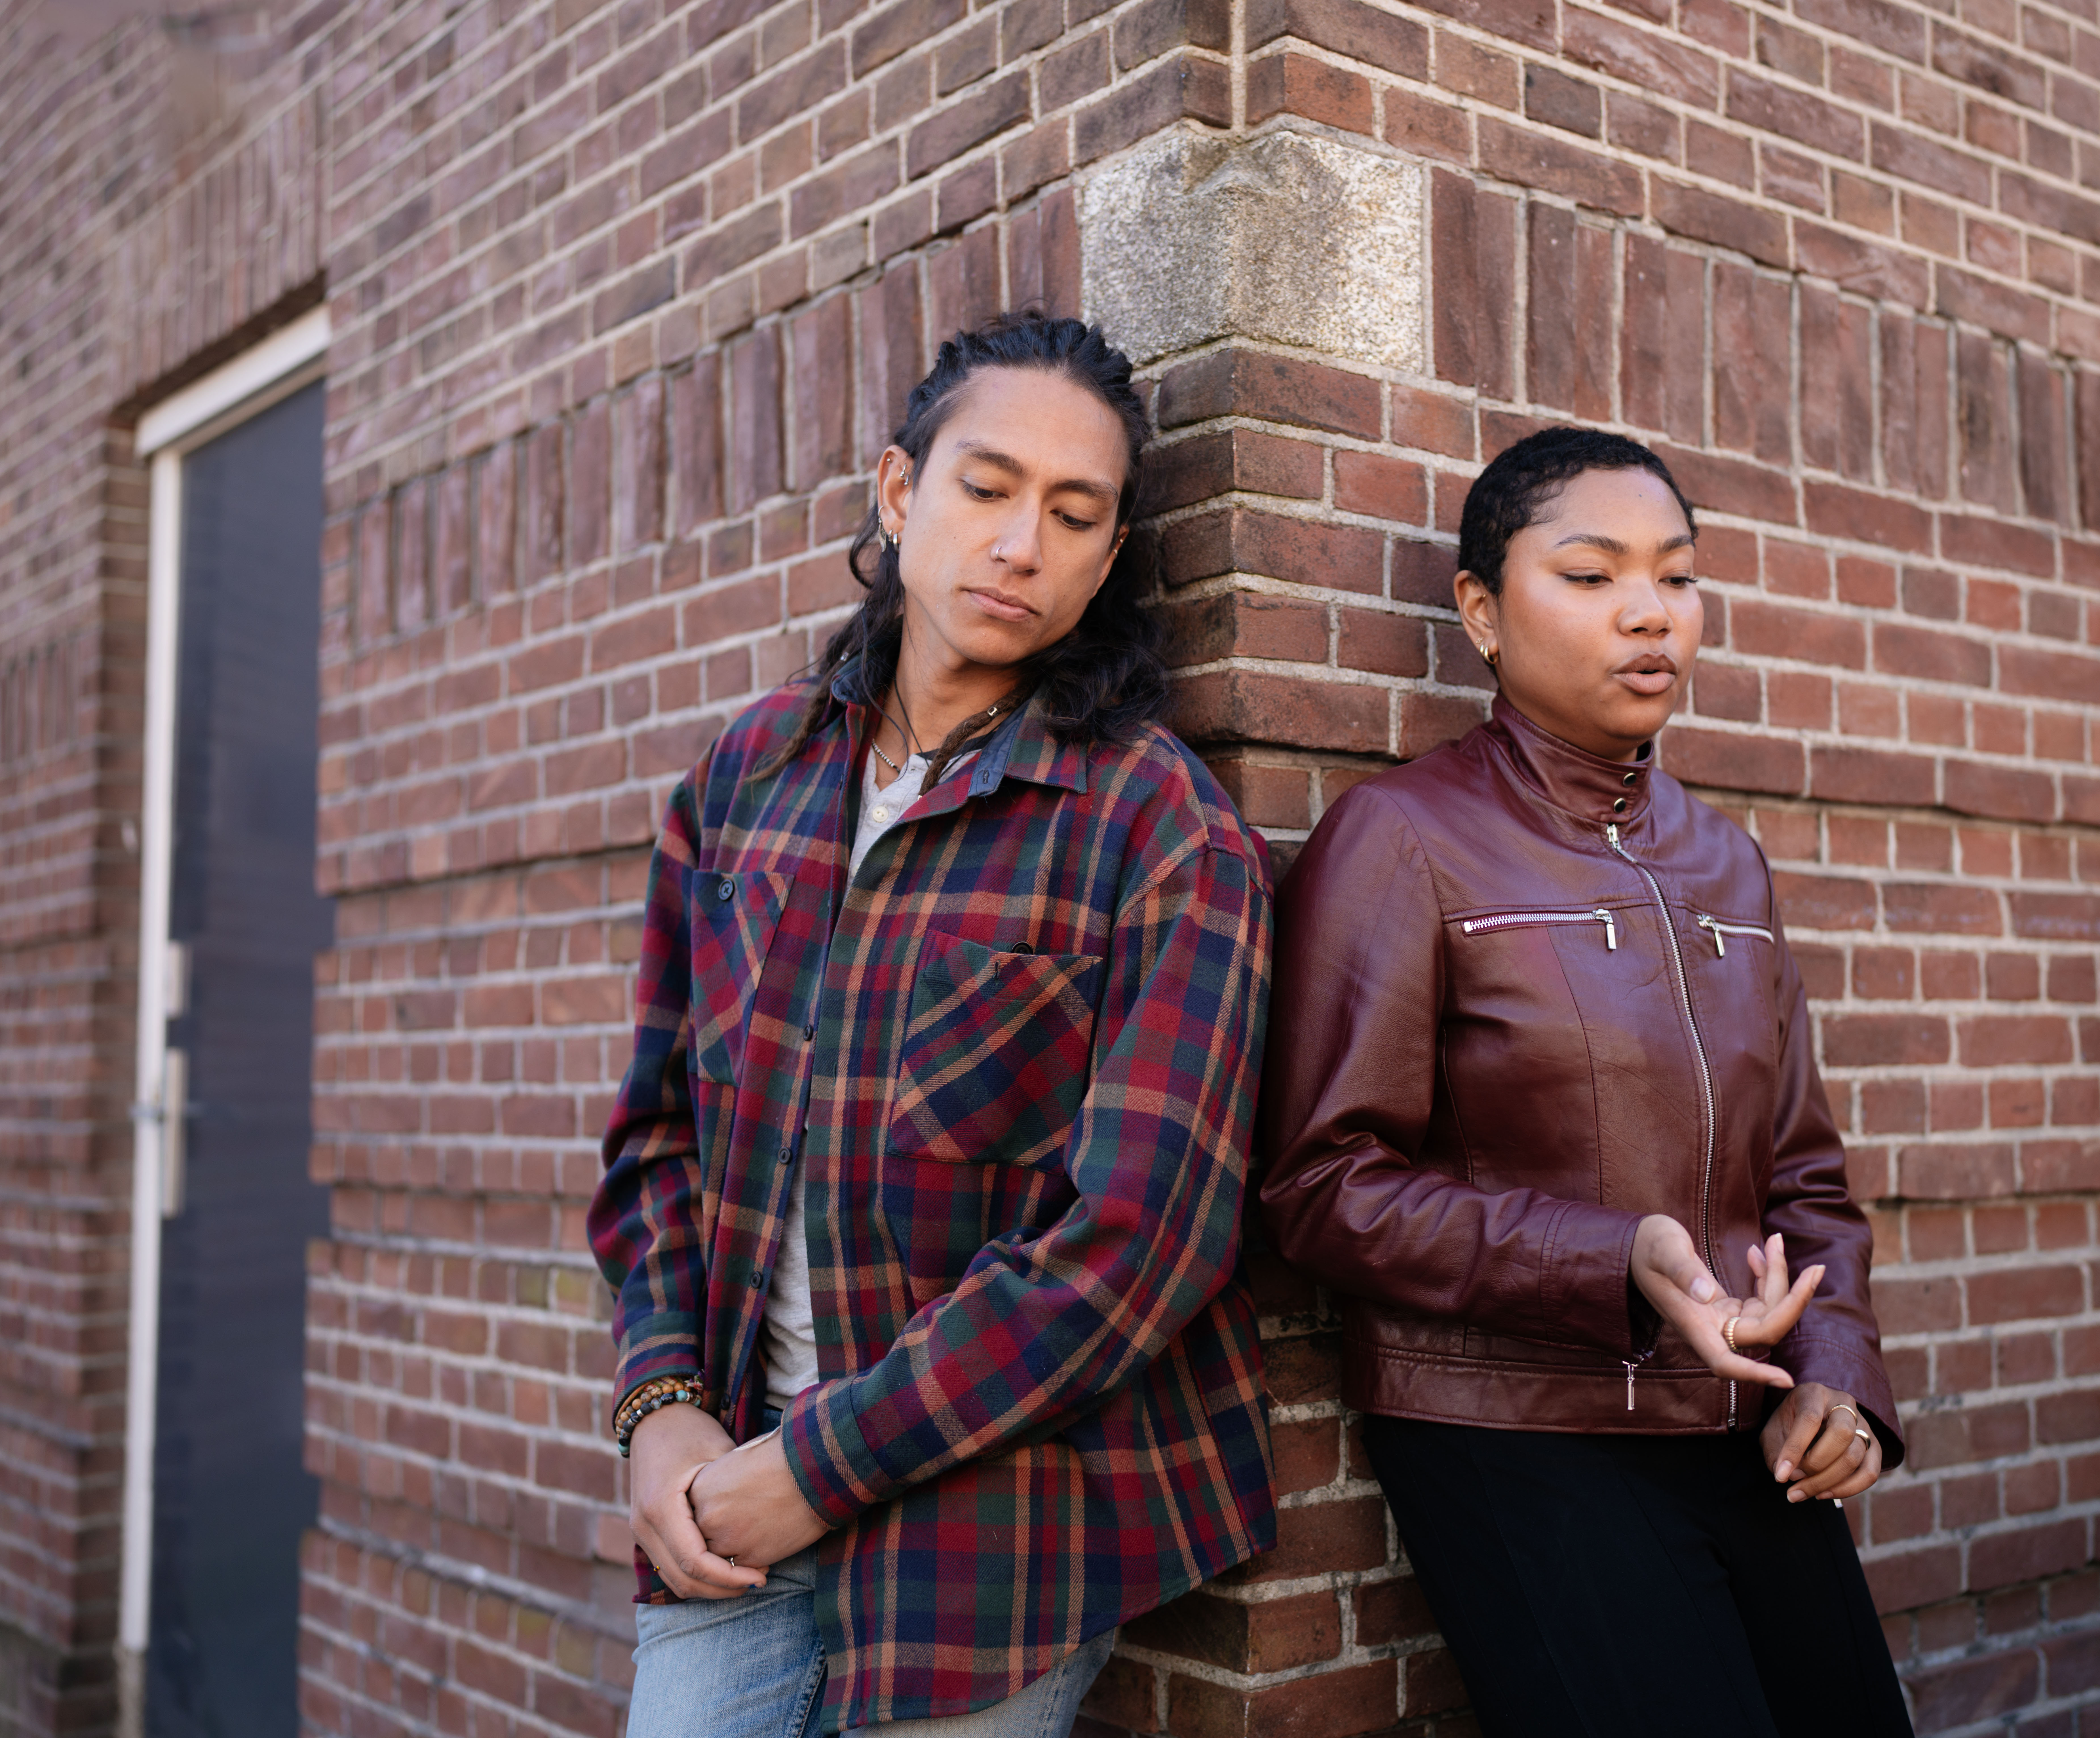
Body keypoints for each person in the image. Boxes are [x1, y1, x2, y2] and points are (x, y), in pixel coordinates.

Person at [589, 313, 1277, 1737]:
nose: (1023, 542)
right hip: (728, 1507)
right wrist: (659, 1404)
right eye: (988, 487)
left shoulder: (1158, 827)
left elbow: (1141, 1242)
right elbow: (659, 1135)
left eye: (1073, 514)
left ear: (1105, 559)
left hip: (992, 1540)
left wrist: (822, 1463)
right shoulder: (747, 778)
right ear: (902, 495)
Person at [1257, 426, 1912, 1736]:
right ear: (1483, 615)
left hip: (1744, 1428)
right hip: (1513, 1434)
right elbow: (1321, 1187)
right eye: (1592, 574)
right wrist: (1615, 1259)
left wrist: (1841, 1377)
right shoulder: (1402, 840)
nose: (1647, 615)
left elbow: (1804, 1177)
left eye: (1676, 577)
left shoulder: (1727, 862)